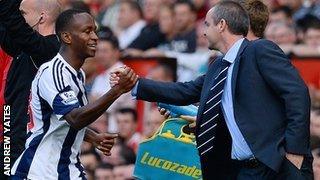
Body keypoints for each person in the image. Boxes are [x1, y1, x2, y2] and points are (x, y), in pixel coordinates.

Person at [111, 1, 312, 179]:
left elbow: (297, 95)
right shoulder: (218, 65)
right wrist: (135, 84)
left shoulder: (259, 49)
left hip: (277, 166)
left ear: (222, 25)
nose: (203, 31)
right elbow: (186, 91)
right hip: (242, 171)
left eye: (207, 24)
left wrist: (295, 151)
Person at [10, 9, 138, 179]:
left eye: (94, 30)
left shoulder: (77, 73)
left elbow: (59, 120)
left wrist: (92, 137)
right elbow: (74, 118)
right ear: (67, 37)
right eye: (87, 31)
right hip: (41, 172)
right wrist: (117, 91)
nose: (95, 37)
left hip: (66, 168)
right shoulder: (53, 72)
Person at [0, 0, 116, 169]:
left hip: (27, 145)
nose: (20, 19)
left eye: (23, 14)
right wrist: (90, 136)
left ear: (41, 17)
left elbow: (14, 23)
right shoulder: (24, 47)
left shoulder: (53, 50)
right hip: (12, 135)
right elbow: (6, 25)